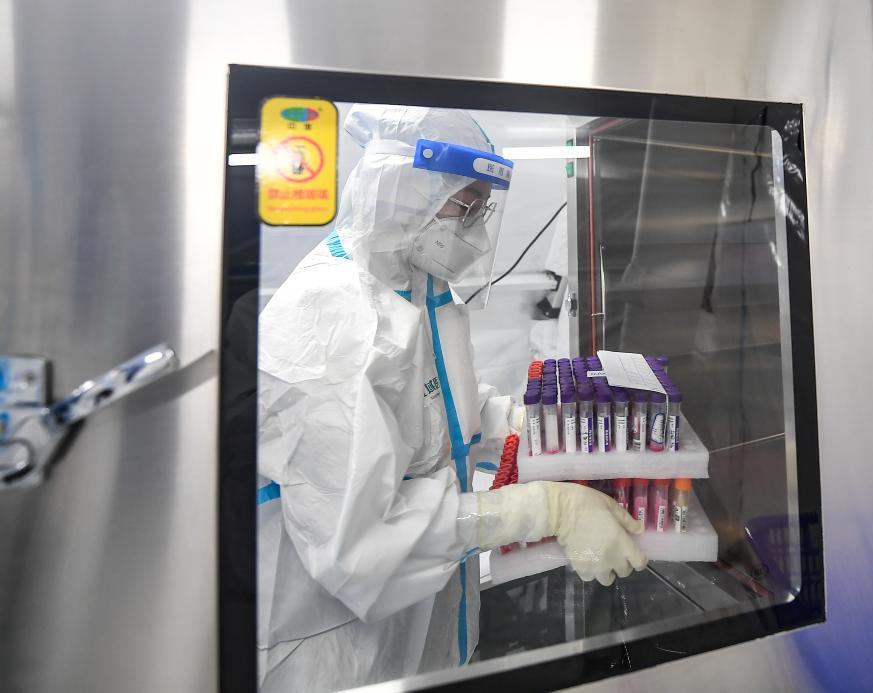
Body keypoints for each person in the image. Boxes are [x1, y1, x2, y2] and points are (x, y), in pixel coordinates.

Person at [256, 104, 647, 691]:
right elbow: (359, 544)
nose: (476, 233)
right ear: (404, 193)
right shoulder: (333, 319)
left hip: (421, 624)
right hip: (332, 647)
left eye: (482, 210)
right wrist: (544, 509)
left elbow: (435, 413)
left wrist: (522, 424)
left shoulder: (418, 289)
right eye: (465, 208)